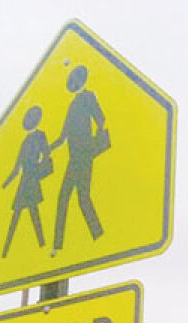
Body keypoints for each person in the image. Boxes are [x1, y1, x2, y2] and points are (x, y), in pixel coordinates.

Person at [51, 64, 106, 252]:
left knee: (81, 197)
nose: (72, 83)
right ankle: (58, 246)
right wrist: (50, 148)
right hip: (73, 157)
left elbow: (100, 118)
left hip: (83, 155)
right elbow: (63, 136)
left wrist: (95, 140)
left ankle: (98, 236)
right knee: (66, 197)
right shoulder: (73, 104)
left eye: (75, 80)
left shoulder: (88, 97)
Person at [1, 106, 51, 257]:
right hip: (24, 181)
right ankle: (6, 251)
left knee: (32, 212)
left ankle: (42, 245)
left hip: (32, 178)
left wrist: (39, 171)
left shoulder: (40, 136)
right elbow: (17, 168)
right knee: (20, 213)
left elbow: (46, 154)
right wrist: (3, 185)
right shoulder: (25, 142)